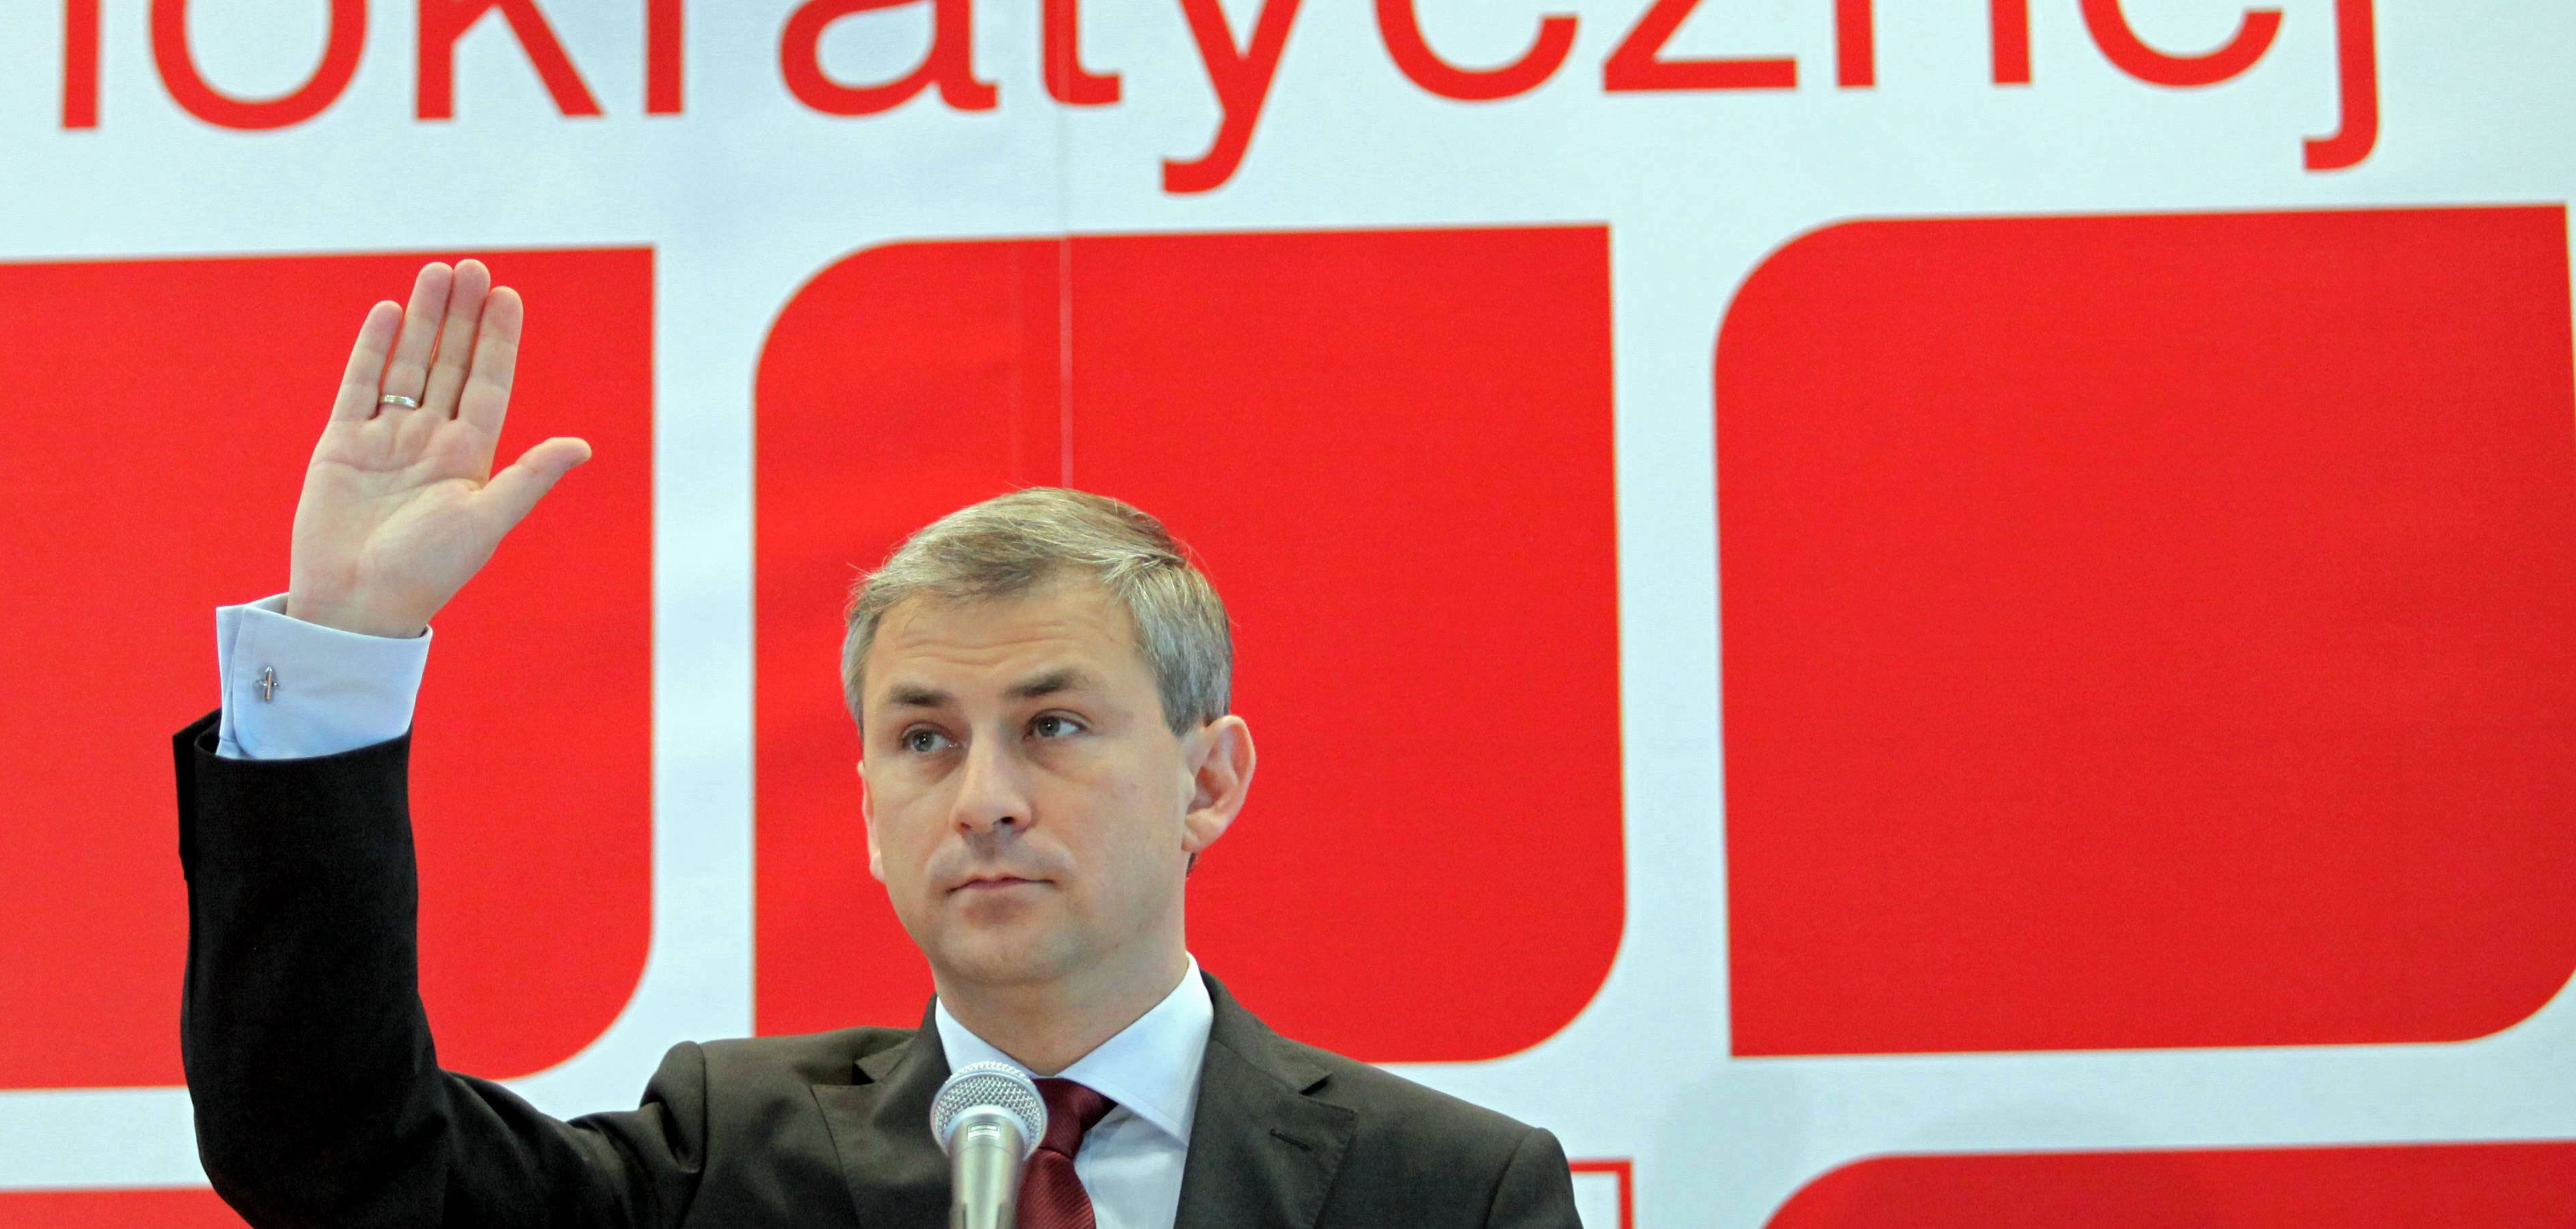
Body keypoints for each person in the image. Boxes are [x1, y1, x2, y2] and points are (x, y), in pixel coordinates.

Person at [176, 258, 1579, 1228]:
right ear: (864, 806)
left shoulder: (1444, 1190)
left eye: (1052, 725)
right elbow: (330, 1153)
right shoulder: (726, 1156)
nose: (984, 798)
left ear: (1206, 781)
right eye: (922, 739)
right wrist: (340, 649)